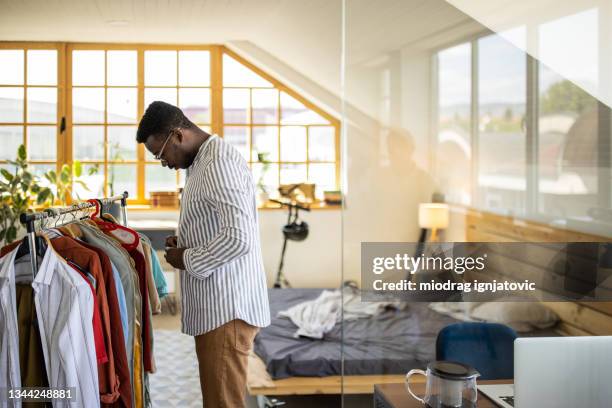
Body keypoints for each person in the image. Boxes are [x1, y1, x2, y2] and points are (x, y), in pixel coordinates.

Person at [136, 101, 270, 407]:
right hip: (219, 308)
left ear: (178, 135)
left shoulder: (217, 163)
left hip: (228, 309)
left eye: (161, 154)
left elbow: (239, 237)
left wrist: (187, 258)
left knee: (222, 402)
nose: (164, 163)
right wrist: (185, 240)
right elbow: (219, 224)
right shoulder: (202, 161)